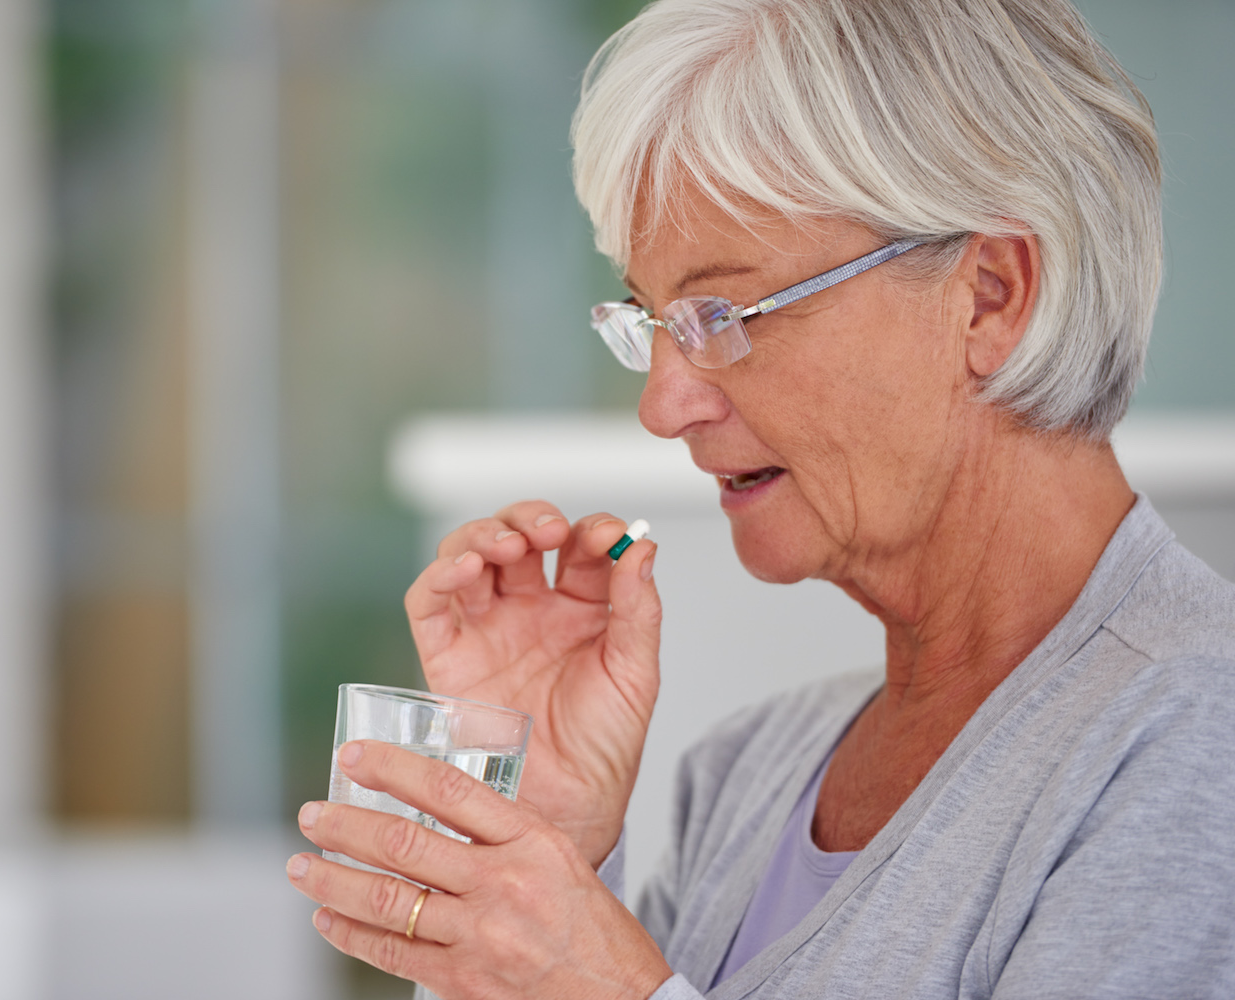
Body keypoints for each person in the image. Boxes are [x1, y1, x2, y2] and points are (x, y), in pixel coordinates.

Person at [286, 0, 1235, 996]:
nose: (663, 404)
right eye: (650, 319)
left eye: (721, 312)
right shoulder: (747, 773)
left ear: (989, 295)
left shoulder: (1193, 741)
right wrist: (542, 849)